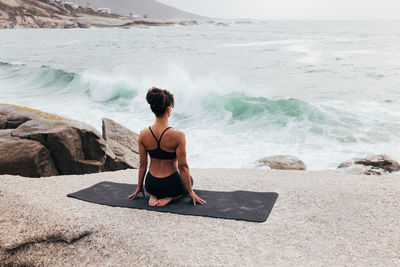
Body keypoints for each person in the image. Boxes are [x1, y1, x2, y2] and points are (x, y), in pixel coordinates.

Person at [128, 87, 206, 207]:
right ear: (168, 110)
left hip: (151, 184)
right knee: (190, 180)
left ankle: (154, 195)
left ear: (153, 109)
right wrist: (191, 192)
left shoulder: (143, 134)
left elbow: (143, 164)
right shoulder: (178, 136)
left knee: (157, 187)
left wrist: (140, 187)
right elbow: (183, 166)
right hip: (171, 184)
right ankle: (171, 197)